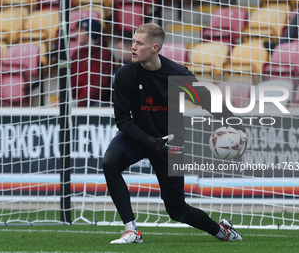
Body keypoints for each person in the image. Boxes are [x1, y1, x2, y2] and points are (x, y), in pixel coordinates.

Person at [101, 23, 247, 244]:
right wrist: (150, 141)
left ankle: (223, 231)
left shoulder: (178, 75)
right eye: (133, 42)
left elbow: (208, 101)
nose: (132, 47)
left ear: (155, 48)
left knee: (177, 210)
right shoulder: (124, 75)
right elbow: (123, 121)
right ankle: (131, 230)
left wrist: (236, 124)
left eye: (139, 43)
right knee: (110, 162)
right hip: (139, 137)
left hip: (170, 144)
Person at [70, 19, 113, 107]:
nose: (77, 34)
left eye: (81, 30)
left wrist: (80, 104)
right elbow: (71, 82)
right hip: (78, 102)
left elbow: (100, 86)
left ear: (91, 32)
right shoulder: (76, 55)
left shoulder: (105, 54)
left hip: (98, 103)